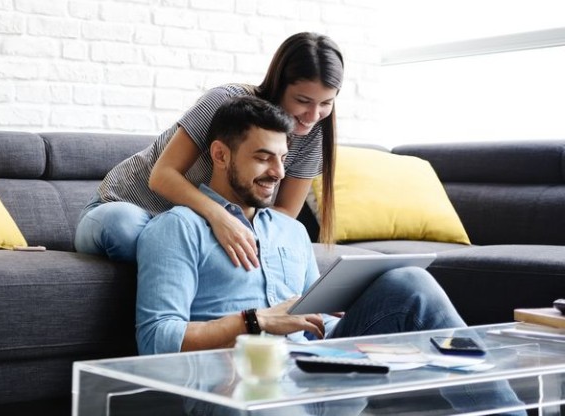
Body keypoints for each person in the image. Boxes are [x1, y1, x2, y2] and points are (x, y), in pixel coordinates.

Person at [134, 96, 524, 416]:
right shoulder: (177, 228)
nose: (278, 173)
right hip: (243, 386)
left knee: (411, 282)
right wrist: (256, 321)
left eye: (283, 159)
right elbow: (156, 340)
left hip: (322, 374)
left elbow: (314, 321)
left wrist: (354, 319)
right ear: (220, 155)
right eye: (263, 157)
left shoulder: (291, 230)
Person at [74, 32, 343, 267]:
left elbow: (284, 214)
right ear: (279, 84)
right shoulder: (225, 102)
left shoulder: (313, 136)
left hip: (192, 230)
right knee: (126, 229)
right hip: (128, 208)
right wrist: (220, 219)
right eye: (303, 100)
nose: (312, 115)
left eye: (326, 103)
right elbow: (162, 176)